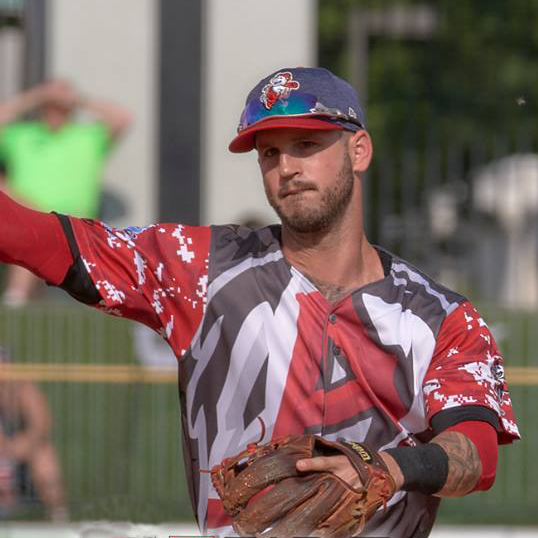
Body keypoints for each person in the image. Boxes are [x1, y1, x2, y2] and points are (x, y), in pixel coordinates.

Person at [0, 67, 519, 537]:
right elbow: (34, 237)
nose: (286, 167)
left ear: (359, 150)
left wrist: (387, 469)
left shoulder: (442, 316)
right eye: (269, 152)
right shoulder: (200, 268)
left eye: (306, 143)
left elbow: (478, 452)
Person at [0, 79, 132, 307]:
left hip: (77, 226)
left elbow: (122, 118)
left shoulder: (87, 138)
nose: (55, 113)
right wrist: (38, 95)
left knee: (90, 288)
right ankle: (15, 312)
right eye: (50, 107)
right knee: (23, 268)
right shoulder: (21, 136)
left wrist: (78, 99)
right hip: (32, 220)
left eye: (61, 108)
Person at [0, 347, 68, 520]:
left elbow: (41, 424)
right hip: (5, 455)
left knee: (44, 454)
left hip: (21, 456)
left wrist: (23, 445)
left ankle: (59, 518)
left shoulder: (23, 388)